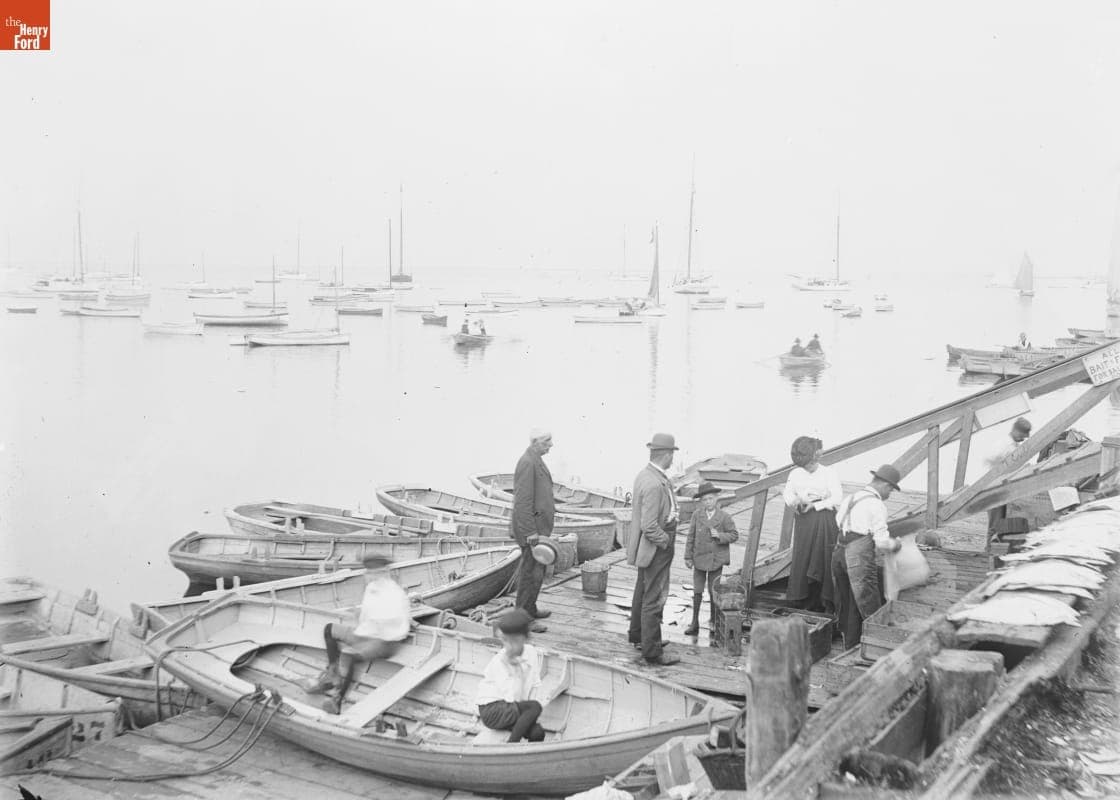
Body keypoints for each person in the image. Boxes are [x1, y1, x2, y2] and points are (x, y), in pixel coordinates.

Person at [303, 554, 412, 713]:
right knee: (329, 629)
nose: (369, 576)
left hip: (386, 641)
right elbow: (366, 618)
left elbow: (393, 623)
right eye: (369, 573)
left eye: (374, 573)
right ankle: (332, 676)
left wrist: (368, 627)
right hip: (366, 634)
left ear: (384, 573)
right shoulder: (371, 588)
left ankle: (337, 700)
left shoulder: (394, 593)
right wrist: (359, 614)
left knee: (349, 656)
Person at [832, 465, 902, 650]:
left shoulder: (851, 498)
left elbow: (839, 521)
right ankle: (877, 646)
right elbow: (881, 543)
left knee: (846, 599)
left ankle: (850, 643)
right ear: (885, 485)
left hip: (839, 553)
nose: (890, 494)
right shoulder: (877, 505)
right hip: (857, 557)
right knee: (868, 601)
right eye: (891, 490)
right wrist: (896, 544)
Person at [626, 432, 681, 666]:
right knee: (654, 597)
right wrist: (665, 541)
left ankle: (639, 635)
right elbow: (649, 526)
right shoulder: (653, 483)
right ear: (666, 455)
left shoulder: (648, 475)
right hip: (656, 545)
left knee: (642, 591)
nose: (673, 460)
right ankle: (652, 650)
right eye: (672, 455)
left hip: (646, 547)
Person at [782, 436, 842, 612]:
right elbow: (788, 495)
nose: (807, 468)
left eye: (809, 464)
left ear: (815, 457)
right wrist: (796, 501)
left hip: (824, 519)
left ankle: (826, 602)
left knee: (823, 559)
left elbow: (837, 497)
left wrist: (816, 505)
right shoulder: (795, 473)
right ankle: (804, 600)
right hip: (804, 521)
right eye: (804, 465)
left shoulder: (828, 472)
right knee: (803, 559)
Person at [476, 608, 546, 743]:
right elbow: (511, 697)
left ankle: (522, 758)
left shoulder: (531, 653)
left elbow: (534, 685)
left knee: (537, 733)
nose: (509, 647)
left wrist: (529, 719)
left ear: (525, 639)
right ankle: (511, 745)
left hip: (512, 708)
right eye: (505, 641)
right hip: (492, 709)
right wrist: (515, 669)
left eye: (513, 642)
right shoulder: (500, 661)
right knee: (535, 707)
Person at [512, 429, 556, 632]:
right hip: (532, 531)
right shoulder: (527, 462)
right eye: (547, 441)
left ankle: (530, 608)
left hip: (539, 528)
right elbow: (522, 502)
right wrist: (530, 531)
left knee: (537, 571)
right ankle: (523, 618)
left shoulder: (535, 458)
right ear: (535, 442)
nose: (551, 445)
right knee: (529, 573)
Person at [683, 482, 738, 636]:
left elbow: (734, 535)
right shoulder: (696, 515)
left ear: (717, 499)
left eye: (711, 499)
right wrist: (688, 556)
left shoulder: (725, 517)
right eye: (705, 500)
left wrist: (720, 536)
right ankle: (694, 622)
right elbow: (690, 536)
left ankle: (713, 621)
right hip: (699, 558)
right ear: (701, 501)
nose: (708, 502)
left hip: (716, 561)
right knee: (697, 591)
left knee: (713, 590)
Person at [984, 417, 1032, 535]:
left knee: (1002, 521)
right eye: (1023, 434)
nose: (1024, 438)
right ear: (1016, 430)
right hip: (994, 487)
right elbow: (988, 461)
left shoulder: (1014, 446)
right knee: (995, 521)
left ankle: (996, 547)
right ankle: (990, 549)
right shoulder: (1003, 444)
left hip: (1004, 488)